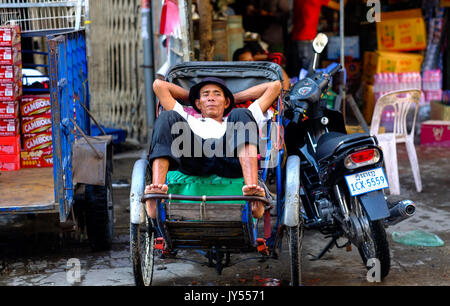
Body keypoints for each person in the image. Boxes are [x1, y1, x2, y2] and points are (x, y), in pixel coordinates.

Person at [145, 77, 282, 220]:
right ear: (197, 103)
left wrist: (233, 98)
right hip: (195, 159)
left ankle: (254, 198)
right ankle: (157, 195)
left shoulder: (237, 117)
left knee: (241, 113)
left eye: (217, 94)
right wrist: (193, 96)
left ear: (227, 102)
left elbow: (275, 86)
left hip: (230, 159)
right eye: (206, 95)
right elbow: (159, 85)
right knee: (166, 116)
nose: (211, 98)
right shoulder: (186, 117)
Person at [287, 0, 344, 77]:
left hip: (297, 37)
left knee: (298, 73)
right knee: (310, 74)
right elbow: (339, 6)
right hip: (308, 38)